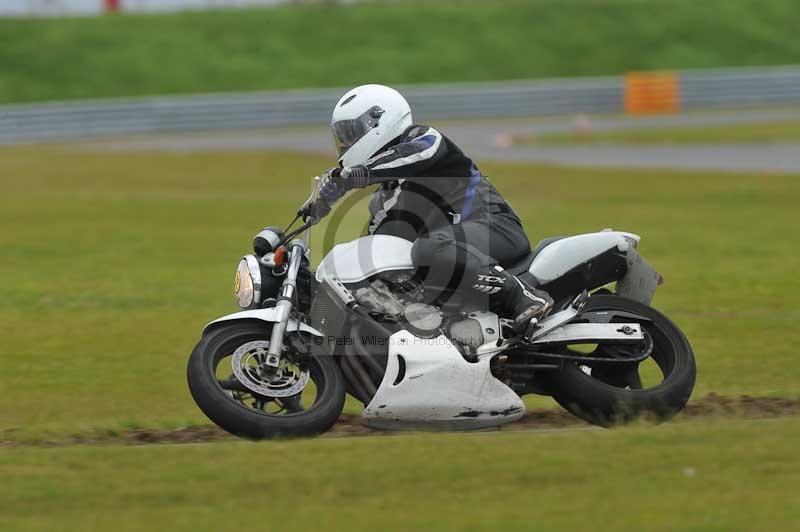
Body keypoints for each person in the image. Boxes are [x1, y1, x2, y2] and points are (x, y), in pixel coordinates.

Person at [305, 84, 553, 337]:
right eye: (341, 136)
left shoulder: (424, 139)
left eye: (350, 133)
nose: (345, 143)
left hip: (496, 229)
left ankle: (525, 295)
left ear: (381, 119)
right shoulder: (384, 199)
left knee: (429, 247)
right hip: (455, 258)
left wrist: (355, 176)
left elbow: (409, 157)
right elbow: (373, 252)